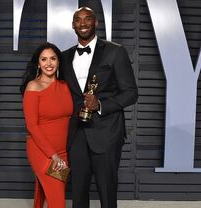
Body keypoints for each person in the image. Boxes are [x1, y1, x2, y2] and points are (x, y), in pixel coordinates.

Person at [61, 7, 138, 208]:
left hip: (107, 133)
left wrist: (101, 104)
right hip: (76, 134)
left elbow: (131, 93)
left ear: (96, 23)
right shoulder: (64, 56)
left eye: (88, 19)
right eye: (78, 20)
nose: (83, 23)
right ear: (73, 25)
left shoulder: (115, 51)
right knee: (77, 191)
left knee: (107, 190)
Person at [21, 42, 73, 208]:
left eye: (53, 59)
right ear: (38, 63)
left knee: (47, 194)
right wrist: (53, 155)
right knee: (57, 201)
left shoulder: (66, 86)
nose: (49, 63)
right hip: (43, 152)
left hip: (64, 151)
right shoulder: (33, 87)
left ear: (59, 62)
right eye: (44, 59)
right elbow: (32, 126)